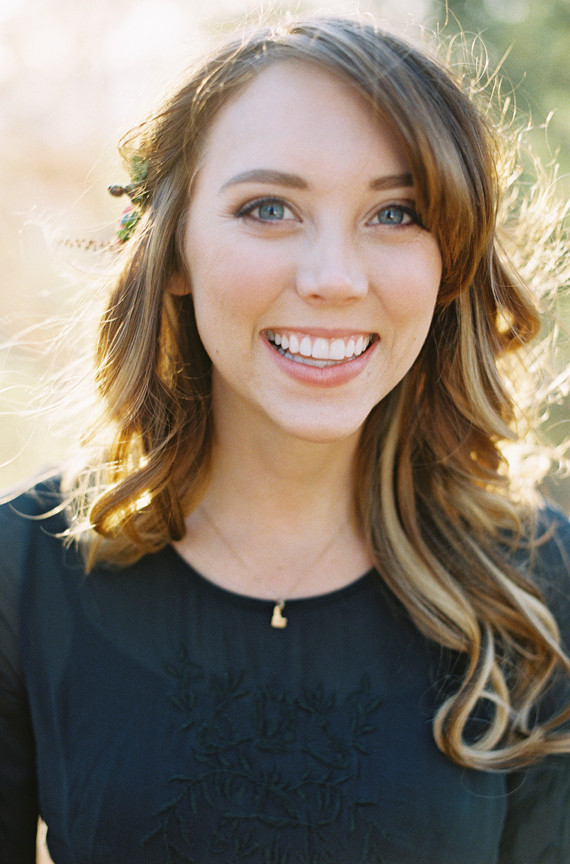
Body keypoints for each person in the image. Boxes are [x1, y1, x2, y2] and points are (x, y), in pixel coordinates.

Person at [1, 12, 569, 864]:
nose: (334, 279)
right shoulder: (22, 575)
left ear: (449, 261)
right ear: (176, 248)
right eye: (269, 208)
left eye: (396, 213)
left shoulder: (539, 587)